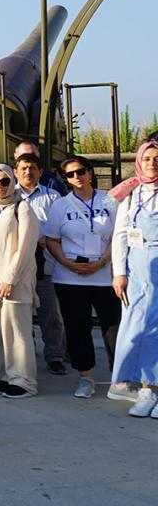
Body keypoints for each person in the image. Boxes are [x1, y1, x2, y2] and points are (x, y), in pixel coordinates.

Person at [44, 154, 121, 400]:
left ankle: (119, 378)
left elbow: (118, 236)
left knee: (113, 328)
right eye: (70, 174)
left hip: (104, 275)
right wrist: (66, 262)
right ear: (66, 179)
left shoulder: (110, 201)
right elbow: (51, 239)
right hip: (71, 277)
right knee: (78, 328)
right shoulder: (60, 205)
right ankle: (86, 376)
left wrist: (103, 261)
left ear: (90, 173)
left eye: (81, 171)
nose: (77, 177)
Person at [0, 164, 39, 399]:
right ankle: (6, 376)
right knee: (0, 333)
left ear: (12, 182)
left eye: (5, 181)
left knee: (18, 332)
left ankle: (24, 381)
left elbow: (25, 248)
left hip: (15, 281)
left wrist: (10, 279)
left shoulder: (22, 208)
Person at [109, 140, 158, 417]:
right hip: (137, 269)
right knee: (137, 329)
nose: (152, 163)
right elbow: (120, 235)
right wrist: (119, 272)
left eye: (157, 158)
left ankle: (153, 389)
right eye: (147, 158)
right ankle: (144, 388)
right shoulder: (131, 193)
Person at [14, 152, 69, 375]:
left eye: (33, 168)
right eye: (23, 168)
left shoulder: (53, 197)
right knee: (20, 316)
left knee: (51, 314)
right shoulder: (8, 194)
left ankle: (55, 356)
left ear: (40, 172)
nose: (28, 172)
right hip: (18, 266)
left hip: (46, 264)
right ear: (16, 171)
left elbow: (63, 228)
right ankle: (24, 358)